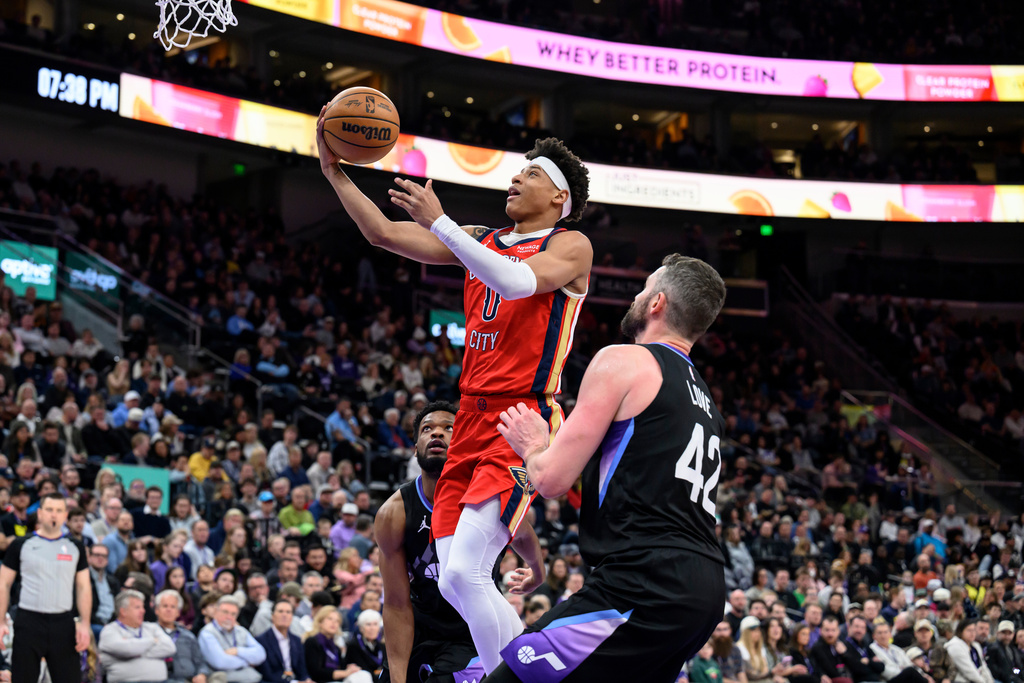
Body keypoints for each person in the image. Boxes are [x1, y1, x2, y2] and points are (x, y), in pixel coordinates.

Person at [318, 113, 592, 674]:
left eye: (531, 174)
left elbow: (514, 281)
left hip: (522, 418)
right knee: (453, 578)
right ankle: (529, 670)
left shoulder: (571, 245)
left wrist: (441, 222)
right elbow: (383, 233)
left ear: (558, 196)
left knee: (466, 570)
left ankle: (507, 678)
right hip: (469, 415)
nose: (515, 179)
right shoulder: (479, 240)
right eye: (517, 172)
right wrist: (335, 173)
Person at [483, 254, 728, 683]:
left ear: (657, 303)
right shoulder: (707, 401)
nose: (636, 297)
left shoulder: (625, 361)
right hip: (704, 588)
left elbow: (551, 479)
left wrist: (533, 445)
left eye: (644, 288)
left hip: (645, 579)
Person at [378, 401, 545, 683]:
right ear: (415, 448)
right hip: (420, 625)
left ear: (464, 443)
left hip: (471, 627)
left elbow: (523, 532)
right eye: (427, 429)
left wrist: (538, 571)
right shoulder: (394, 513)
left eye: (448, 428)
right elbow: (396, 604)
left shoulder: (486, 498)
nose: (436, 433)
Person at [0, 492, 92, 681]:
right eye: (49, 509)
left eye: (59, 510)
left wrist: (85, 624)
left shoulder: (75, 547)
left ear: (65, 515)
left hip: (63, 623)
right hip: (28, 621)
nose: (53, 514)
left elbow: (83, 587)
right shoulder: (21, 544)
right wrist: (0, 621)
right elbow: (3, 583)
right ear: (40, 513)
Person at [98, 588, 177, 682]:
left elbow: (170, 648)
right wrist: (152, 641)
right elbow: (127, 650)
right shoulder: (110, 630)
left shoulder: (152, 627)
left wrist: (134, 651)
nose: (143, 611)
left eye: (142, 607)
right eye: (137, 607)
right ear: (123, 611)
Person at [197, 596, 267, 683]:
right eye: (225, 612)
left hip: (252, 679)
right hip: (224, 679)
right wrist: (247, 662)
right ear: (216, 612)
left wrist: (237, 651)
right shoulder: (207, 633)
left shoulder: (241, 631)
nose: (229, 617)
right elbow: (221, 662)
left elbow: (261, 654)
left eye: (233, 614)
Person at [303, 606, 372, 683]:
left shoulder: (336, 647)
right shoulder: (312, 642)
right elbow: (315, 672)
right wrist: (345, 673)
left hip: (337, 681)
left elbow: (340, 668)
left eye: (337, 621)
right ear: (320, 622)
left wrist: (349, 668)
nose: (333, 623)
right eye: (330, 619)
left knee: (363, 674)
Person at [154, 588, 209, 683]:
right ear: (157, 610)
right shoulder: (149, 633)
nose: (168, 610)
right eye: (165, 606)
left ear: (178, 612)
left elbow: (201, 663)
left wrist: (202, 674)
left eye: (173, 607)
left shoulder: (188, 636)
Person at [256, 599, 312, 683]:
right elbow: (267, 674)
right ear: (272, 616)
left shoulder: (297, 641)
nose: (284, 615)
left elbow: (302, 670)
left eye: (288, 612)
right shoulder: (261, 640)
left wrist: (307, 680)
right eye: (280, 611)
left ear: (292, 617)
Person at [945, 619, 995, 683]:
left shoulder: (976, 645)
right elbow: (968, 671)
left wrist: (991, 681)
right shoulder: (955, 646)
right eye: (969, 630)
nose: (972, 633)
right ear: (961, 631)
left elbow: (983, 667)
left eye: (974, 630)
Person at [347, 609, 386, 677]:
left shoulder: (382, 647)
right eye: (368, 624)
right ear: (361, 628)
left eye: (375, 624)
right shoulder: (353, 646)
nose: (372, 628)